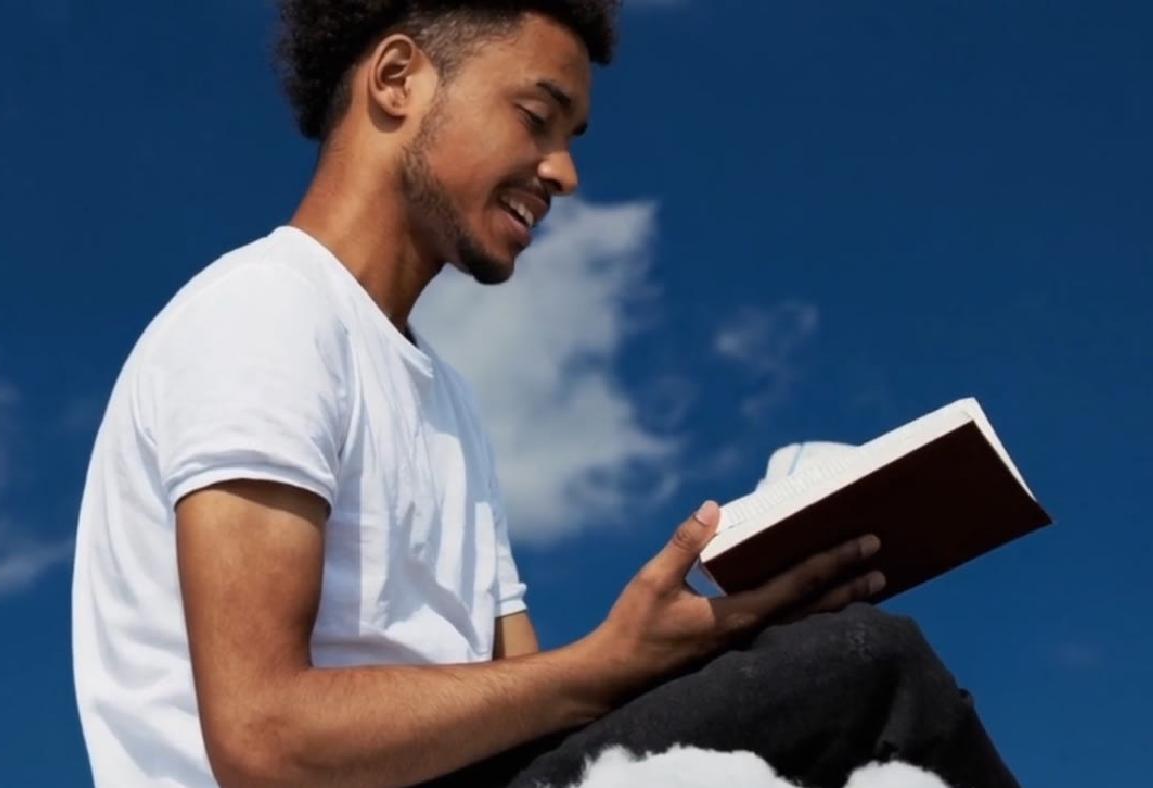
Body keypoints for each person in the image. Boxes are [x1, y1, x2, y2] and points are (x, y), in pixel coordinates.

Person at [70, 2, 1019, 787]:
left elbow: (533, 705)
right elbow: (264, 737)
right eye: (536, 117)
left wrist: (695, 641)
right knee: (868, 666)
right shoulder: (265, 312)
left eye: (570, 137)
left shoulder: (450, 406)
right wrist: (607, 665)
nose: (564, 172)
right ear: (398, 81)